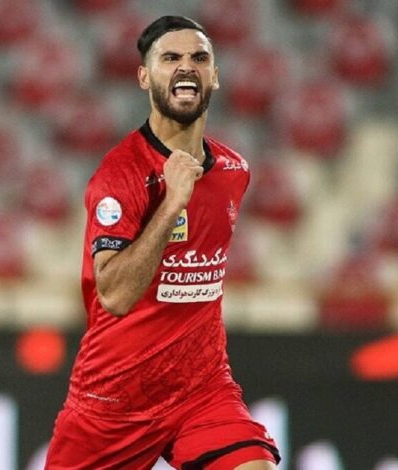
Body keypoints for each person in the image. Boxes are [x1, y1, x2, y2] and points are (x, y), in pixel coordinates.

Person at [45, 15, 280, 470]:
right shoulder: (120, 175)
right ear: (144, 77)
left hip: (201, 390)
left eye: (199, 58)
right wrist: (172, 204)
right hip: (115, 399)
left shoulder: (233, 170)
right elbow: (115, 296)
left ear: (215, 75)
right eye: (170, 58)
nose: (186, 67)